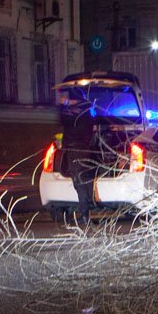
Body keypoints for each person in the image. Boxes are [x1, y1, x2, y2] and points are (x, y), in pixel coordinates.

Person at [59, 95, 101, 224]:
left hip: (74, 151)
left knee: (79, 181)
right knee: (84, 179)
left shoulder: (73, 115)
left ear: (74, 100)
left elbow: (62, 119)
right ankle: (89, 208)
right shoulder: (88, 114)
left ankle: (84, 215)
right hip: (84, 151)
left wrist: (62, 105)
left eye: (70, 99)